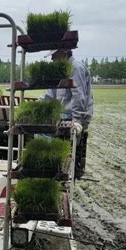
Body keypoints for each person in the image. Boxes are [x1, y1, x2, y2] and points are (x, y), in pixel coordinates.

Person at [39, 49, 93, 178]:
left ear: (63, 53)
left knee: (47, 133)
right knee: (39, 128)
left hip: (73, 115)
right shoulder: (60, 70)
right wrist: (35, 104)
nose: (52, 59)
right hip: (62, 114)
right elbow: (50, 94)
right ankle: (48, 164)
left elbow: (79, 96)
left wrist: (78, 121)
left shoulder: (76, 68)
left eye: (54, 55)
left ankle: (52, 166)